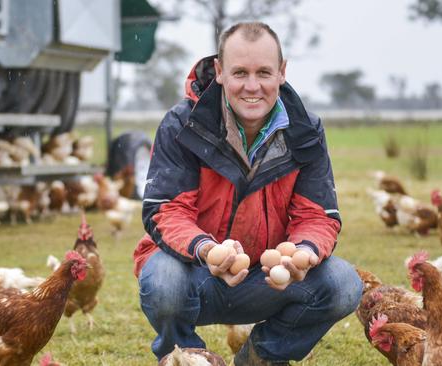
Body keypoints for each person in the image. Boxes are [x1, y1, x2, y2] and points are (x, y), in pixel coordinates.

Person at [133, 21, 362, 365]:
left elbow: (317, 215)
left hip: (267, 281)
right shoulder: (183, 124)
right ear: (220, 71)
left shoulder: (305, 131)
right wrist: (207, 250)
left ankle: (259, 357)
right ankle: (188, 358)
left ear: (282, 73)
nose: (252, 86)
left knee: (343, 283)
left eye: (264, 73)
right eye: (240, 73)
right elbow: (166, 210)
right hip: (196, 272)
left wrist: (304, 252)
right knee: (162, 279)